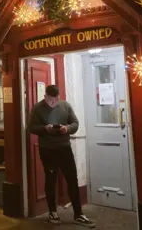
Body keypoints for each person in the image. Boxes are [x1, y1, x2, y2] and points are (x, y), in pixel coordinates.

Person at [29, 85, 95, 228]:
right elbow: (31, 127)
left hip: (64, 148)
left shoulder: (65, 105)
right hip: (47, 150)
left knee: (72, 178)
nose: (53, 103)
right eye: (51, 100)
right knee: (51, 179)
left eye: (56, 100)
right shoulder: (37, 108)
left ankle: (78, 214)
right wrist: (44, 129)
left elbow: (75, 123)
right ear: (45, 96)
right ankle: (53, 212)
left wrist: (68, 129)